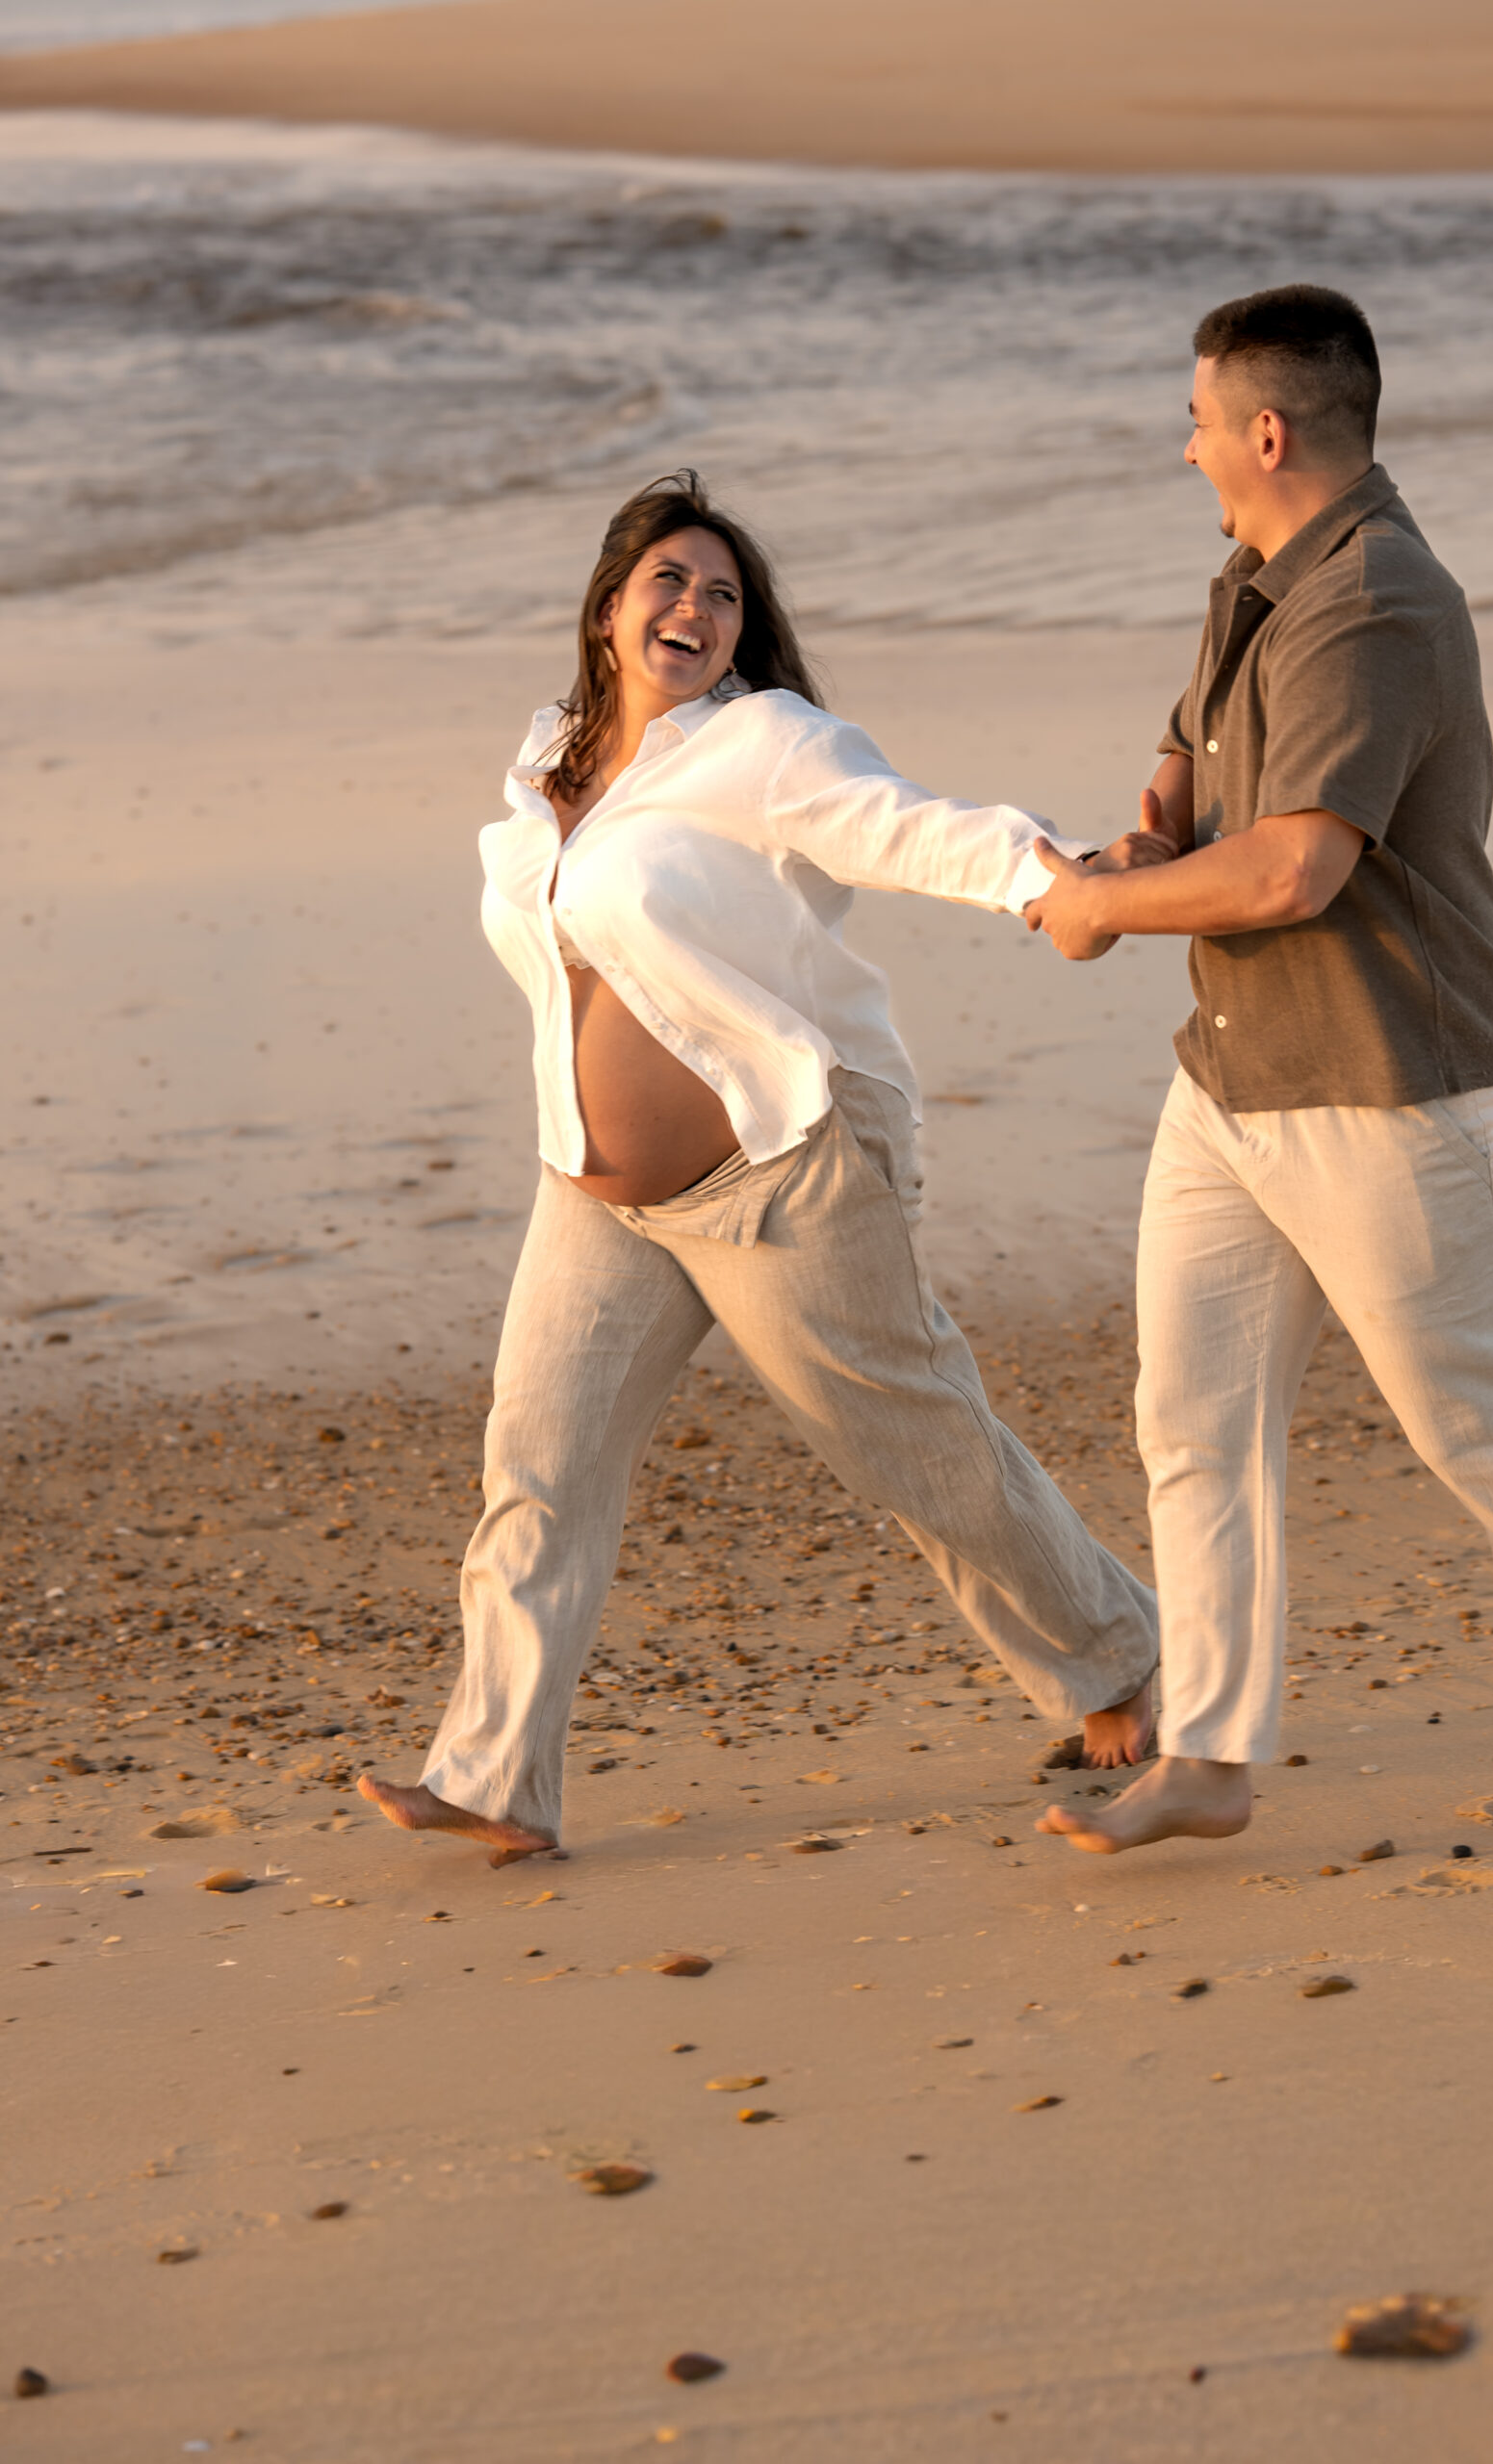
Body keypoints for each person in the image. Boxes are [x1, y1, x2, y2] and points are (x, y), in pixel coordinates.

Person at [360, 469, 1161, 1864]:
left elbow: (912, 824)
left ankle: (1126, 1665)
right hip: (597, 1195)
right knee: (538, 1467)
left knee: (917, 1448)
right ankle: (497, 1777)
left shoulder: (767, 744)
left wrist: (1062, 877)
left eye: (724, 595)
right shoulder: (549, 763)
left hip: (777, 1174)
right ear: (610, 607)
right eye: (670, 580)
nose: (697, 607)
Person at [1024, 284, 1493, 1855]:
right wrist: (1141, 836)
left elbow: (1296, 869)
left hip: (1396, 1085)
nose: (1186, 450)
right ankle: (1214, 1757)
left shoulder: (1377, 602)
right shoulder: (1257, 573)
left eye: (1197, 419)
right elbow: (1184, 779)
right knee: (1194, 1414)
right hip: (1235, 1080)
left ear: (1269, 430)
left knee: (1470, 1417)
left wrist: (1102, 905)